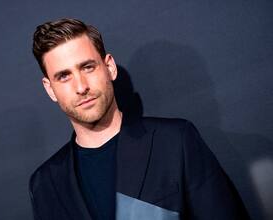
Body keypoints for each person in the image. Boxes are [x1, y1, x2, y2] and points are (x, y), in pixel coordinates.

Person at [29, 18, 249, 220]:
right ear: (50, 89)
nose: (81, 87)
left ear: (110, 67)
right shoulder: (44, 184)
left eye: (87, 67)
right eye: (64, 76)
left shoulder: (175, 142)